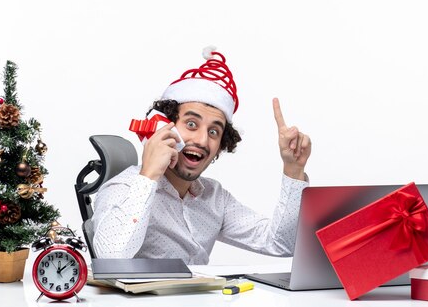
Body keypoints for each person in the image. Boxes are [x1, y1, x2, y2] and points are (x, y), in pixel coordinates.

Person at [91, 46, 311, 264]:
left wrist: (294, 169)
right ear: (163, 127)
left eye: (214, 131)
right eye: (191, 124)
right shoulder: (123, 188)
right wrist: (149, 175)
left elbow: (281, 243)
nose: (203, 140)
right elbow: (110, 258)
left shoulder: (214, 198)